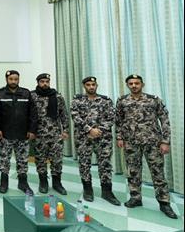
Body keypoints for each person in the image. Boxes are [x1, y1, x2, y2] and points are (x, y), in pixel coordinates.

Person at [116, 74, 177, 219]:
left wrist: (165, 141)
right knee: (133, 172)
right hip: (131, 142)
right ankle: (135, 198)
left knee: (158, 173)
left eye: (137, 83)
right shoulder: (122, 101)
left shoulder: (153, 100)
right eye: (131, 83)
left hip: (153, 142)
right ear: (128, 85)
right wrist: (119, 137)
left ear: (142, 84)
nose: (134, 86)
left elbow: (164, 120)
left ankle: (164, 202)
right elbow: (118, 120)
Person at [70, 76, 120, 205]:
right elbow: (75, 116)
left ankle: (107, 191)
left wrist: (98, 130)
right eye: (88, 85)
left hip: (103, 138)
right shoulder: (77, 100)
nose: (91, 87)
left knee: (105, 164)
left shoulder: (106, 100)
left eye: (93, 84)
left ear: (96, 85)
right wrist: (89, 130)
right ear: (84, 86)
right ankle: (88, 189)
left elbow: (111, 118)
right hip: (83, 137)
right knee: (84, 163)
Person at [0, 70, 37, 194]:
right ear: (6, 79)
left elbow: (33, 113)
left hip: (23, 133)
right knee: (4, 159)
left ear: (18, 79)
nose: (13, 81)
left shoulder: (26, 93)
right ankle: (4, 182)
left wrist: (32, 130)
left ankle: (23, 183)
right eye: (11, 79)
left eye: (16, 79)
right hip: (5, 133)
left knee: (22, 160)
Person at [31, 73, 69, 195]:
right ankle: (43, 182)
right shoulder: (32, 96)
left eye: (47, 81)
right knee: (40, 159)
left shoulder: (57, 96)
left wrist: (65, 130)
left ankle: (57, 183)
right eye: (42, 81)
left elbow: (63, 114)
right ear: (38, 82)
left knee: (57, 160)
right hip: (39, 134)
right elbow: (28, 115)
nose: (45, 84)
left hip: (55, 134)